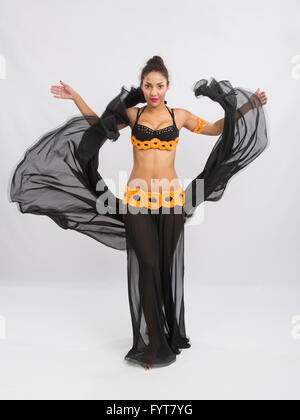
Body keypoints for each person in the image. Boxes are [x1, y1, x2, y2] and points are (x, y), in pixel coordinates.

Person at [9, 55, 269, 371]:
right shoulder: (132, 115)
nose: (154, 90)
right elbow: (99, 127)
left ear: (167, 86)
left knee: (162, 267)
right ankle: (154, 344)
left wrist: (244, 108)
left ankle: (160, 327)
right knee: (146, 263)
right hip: (137, 201)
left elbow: (215, 129)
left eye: (159, 85)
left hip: (172, 202)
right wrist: (77, 98)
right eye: (148, 85)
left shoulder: (181, 116)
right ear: (142, 86)